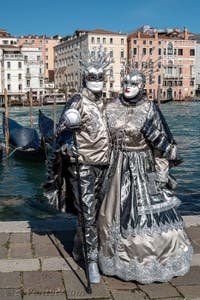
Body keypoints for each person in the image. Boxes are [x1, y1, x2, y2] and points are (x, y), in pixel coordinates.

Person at [97, 68, 193, 283]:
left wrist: (161, 174)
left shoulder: (149, 109)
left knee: (146, 217)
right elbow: (98, 138)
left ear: (142, 86)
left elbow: (160, 145)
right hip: (113, 168)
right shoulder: (109, 107)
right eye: (125, 82)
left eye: (134, 83)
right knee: (107, 215)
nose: (128, 86)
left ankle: (150, 261)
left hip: (142, 167)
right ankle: (112, 257)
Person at [44, 48, 112, 284]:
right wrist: (69, 122)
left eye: (100, 77)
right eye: (91, 77)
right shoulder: (77, 100)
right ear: (85, 78)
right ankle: (91, 260)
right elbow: (61, 131)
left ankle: (80, 248)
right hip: (82, 163)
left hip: (105, 164)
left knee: (100, 211)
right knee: (87, 211)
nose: (96, 81)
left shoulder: (105, 103)